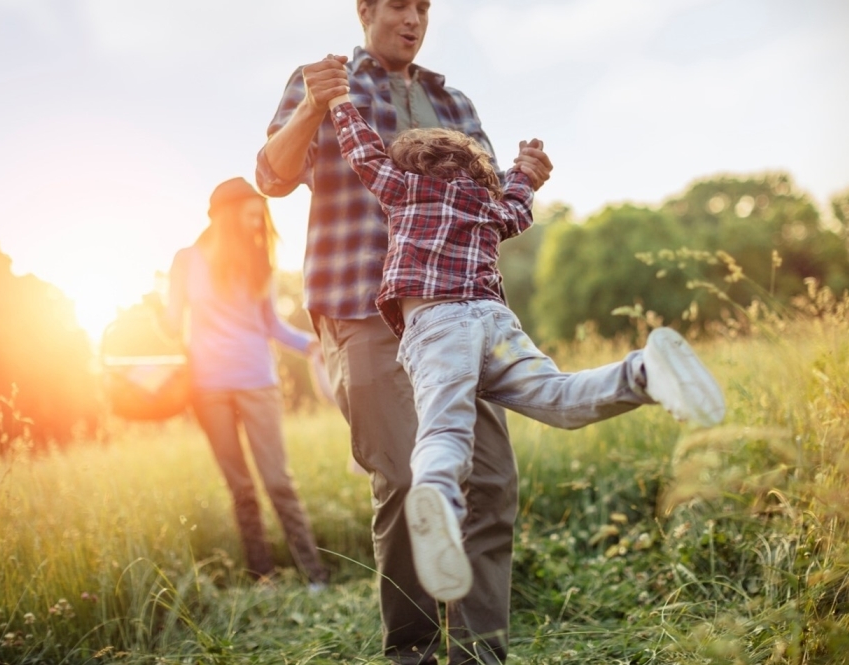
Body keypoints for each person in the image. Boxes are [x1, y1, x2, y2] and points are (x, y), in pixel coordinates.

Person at [325, 90, 726, 603]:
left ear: (410, 166)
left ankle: (438, 500)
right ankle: (643, 372)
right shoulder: (488, 205)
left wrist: (340, 102)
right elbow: (518, 203)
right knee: (560, 397)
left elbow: (363, 153)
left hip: (439, 326)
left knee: (445, 423)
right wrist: (524, 170)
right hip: (496, 323)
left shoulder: (403, 188)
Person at [255, 2, 552, 662]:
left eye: (423, 6)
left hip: (456, 312)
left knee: (491, 481)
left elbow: (488, 206)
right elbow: (272, 177)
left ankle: (478, 654)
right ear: (365, 10)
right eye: (398, 4)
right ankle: (411, 650)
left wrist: (524, 176)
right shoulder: (324, 80)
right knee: (409, 478)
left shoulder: (455, 101)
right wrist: (312, 106)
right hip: (361, 307)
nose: (413, 18)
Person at [158, 176, 329, 590]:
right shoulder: (186, 261)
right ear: (227, 216)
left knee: (277, 482)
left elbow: (272, 326)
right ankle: (262, 577)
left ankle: (315, 577)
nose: (257, 226)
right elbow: (171, 324)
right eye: (250, 217)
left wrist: (315, 344)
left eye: (261, 218)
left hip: (258, 383)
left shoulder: (259, 263)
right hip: (207, 388)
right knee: (241, 489)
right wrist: (158, 313)